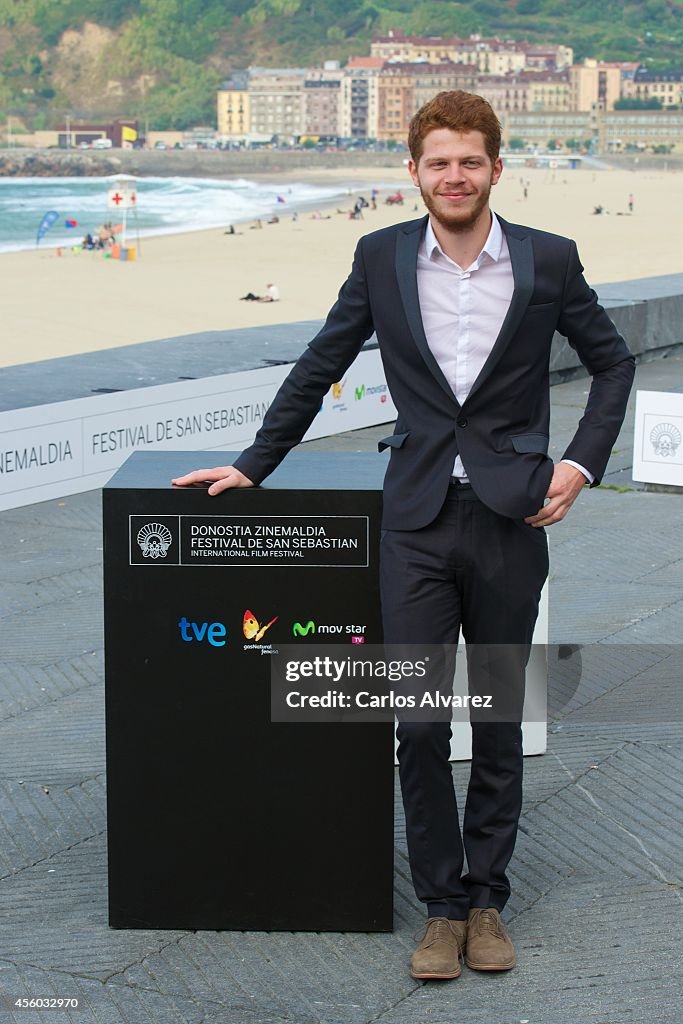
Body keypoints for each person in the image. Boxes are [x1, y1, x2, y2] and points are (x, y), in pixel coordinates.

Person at [173, 91, 634, 980]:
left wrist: (577, 464)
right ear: (413, 172)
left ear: (496, 169)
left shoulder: (548, 261)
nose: (453, 176)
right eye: (437, 162)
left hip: (509, 517)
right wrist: (254, 464)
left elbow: (611, 362)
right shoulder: (380, 258)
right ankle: (439, 906)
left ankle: (487, 900)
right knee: (419, 721)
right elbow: (321, 361)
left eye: (469, 161)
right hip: (415, 519)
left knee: (495, 718)